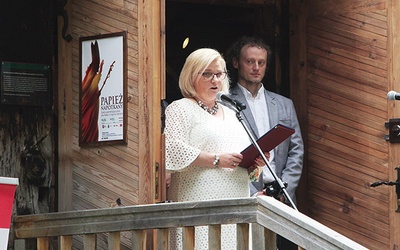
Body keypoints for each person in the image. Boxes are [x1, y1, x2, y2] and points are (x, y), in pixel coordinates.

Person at [164, 48, 252, 250]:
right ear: (191, 76)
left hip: (236, 207)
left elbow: (241, 154)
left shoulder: (232, 113)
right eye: (207, 74)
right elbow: (172, 149)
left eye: (219, 74)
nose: (215, 80)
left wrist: (255, 161)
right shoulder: (181, 108)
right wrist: (215, 160)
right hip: (199, 207)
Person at [226, 36, 304, 249]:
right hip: (247, 195)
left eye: (261, 62)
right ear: (236, 63)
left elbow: (296, 149)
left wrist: (284, 187)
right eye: (249, 61)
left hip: (283, 196)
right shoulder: (225, 102)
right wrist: (252, 193)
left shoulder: (284, 104)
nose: (256, 67)